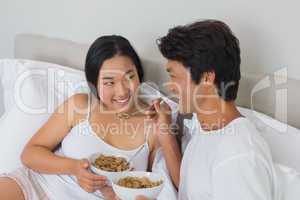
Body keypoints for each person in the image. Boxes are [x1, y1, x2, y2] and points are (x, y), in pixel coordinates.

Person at [0, 35, 180, 200]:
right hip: (39, 185)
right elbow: (30, 154)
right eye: (109, 82)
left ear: (139, 75)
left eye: (129, 77)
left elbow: (171, 186)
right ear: (94, 84)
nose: (122, 90)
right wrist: (74, 168)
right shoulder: (80, 106)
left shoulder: (154, 122)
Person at [147, 20, 281, 200]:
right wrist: (165, 132)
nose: (170, 87)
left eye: (174, 77)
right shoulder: (207, 126)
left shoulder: (238, 155)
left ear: (207, 78)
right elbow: (192, 188)